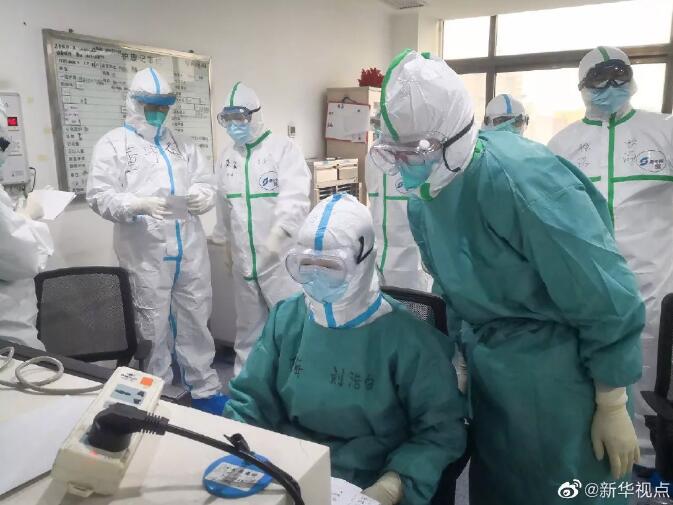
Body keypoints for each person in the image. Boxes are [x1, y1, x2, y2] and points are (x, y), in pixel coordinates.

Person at [370, 49, 644, 505]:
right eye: (393, 153)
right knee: (499, 486)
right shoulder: (427, 195)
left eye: (414, 152)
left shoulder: (522, 180)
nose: (404, 165)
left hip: (565, 383)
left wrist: (611, 399)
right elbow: (449, 285)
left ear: (453, 136)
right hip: (493, 378)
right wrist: (456, 358)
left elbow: (604, 291)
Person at [223, 193, 466, 505]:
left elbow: (440, 430)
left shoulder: (410, 340)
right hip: (287, 469)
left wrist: (393, 485)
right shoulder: (286, 318)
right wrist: (238, 447)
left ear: (364, 262)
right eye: (306, 265)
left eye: (330, 267)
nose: (316, 279)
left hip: (367, 478)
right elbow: (250, 400)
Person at [548, 46, 672, 470]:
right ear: (582, 86)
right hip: (589, 286)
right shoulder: (562, 145)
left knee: (655, 370)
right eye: (599, 79)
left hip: (655, 283)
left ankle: (654, 459)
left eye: (619, 75)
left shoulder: (664, 131)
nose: (611, 86)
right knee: (595, 370)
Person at [87, 67, 224, 414]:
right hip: (146, 251)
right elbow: (99, 195)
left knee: (196, 317)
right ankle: (157, 395)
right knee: (152, 327)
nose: (158, 112)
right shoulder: (114, 144)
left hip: (189, 247)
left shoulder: (182, 144)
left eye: (164, 106)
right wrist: (138, 204)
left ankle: (203, 388)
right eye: (151, 105)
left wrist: (203, 196)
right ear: (134, 102)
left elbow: (207, 182)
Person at [212, 82, 310, 374]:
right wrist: (225, 243)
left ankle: (294, 388)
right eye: (227, 119)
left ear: (255, 115)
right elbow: (223, 205)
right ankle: (247, 388)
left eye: (240, 118)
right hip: (244, 263)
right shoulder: (226, 158)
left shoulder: (283, 150)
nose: (234, 126)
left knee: (292, 328)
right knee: (248, 332)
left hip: (280, 262)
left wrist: (279, 235)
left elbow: (295, 199)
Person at [0, 103, 53, 350]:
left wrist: (16, 216)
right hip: (9, 338)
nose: (5, 152)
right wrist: (28, 217)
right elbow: (24, 260)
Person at [365, 115, 432, 291]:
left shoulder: (420, 153)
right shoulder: (374, 154)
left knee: (413, 299)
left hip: (412, 261)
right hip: (380, 254)